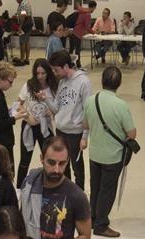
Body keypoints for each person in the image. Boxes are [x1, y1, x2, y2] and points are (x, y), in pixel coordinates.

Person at [83, 65, 135, 238]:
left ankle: (92, 217)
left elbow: (85, 125)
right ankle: (101, 225)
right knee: (107, 190)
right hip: (112, 156)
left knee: (95, 187)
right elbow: (131, 133)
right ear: (119, 83)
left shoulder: (91, 100)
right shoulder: (120, 105)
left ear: (102, 81)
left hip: (95, 153)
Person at [48, 50, 90, 190]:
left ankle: (79, 196)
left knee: (77, 167)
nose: (55, 73)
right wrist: (45, 99)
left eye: (56, 70)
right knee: (61, 165)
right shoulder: (61, 82)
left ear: (66, 66)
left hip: (75, 132)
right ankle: (64, 193)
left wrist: (84, 137)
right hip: (60, 130)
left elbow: (87, 111)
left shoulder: (83, 82)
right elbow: (56, 107)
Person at [15, 58, 59, 187]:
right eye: (37, 73)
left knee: (49, 157)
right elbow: (18, 105)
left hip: (46, 127)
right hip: (29, 126)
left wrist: (52, 112)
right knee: (24, 160)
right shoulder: (28, 85)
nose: (40, 76)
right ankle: (19, 189)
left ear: (48, 73)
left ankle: (50, 185)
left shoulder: (54, 86)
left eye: (43, 73)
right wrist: (28, 117)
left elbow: (58, 107)